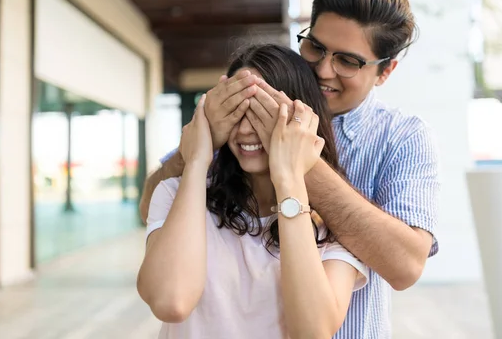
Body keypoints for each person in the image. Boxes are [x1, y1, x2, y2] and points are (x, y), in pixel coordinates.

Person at [140, 0, 440, 339]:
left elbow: (406, 267)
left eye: (347, 61)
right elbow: (153, 204)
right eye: (315, 47)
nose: (323, 70)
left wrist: (294, 163)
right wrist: (200, 148)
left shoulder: (401, 137)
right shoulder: (260, 93)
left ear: (384, 71)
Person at [137, 44, 369, 339]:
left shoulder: (335, 222)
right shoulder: (174, 193)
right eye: (237, 111)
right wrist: (197, 161)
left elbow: (312, 332)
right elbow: (171, 302)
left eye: (263, 113)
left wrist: (289, 177)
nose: (246, 130)